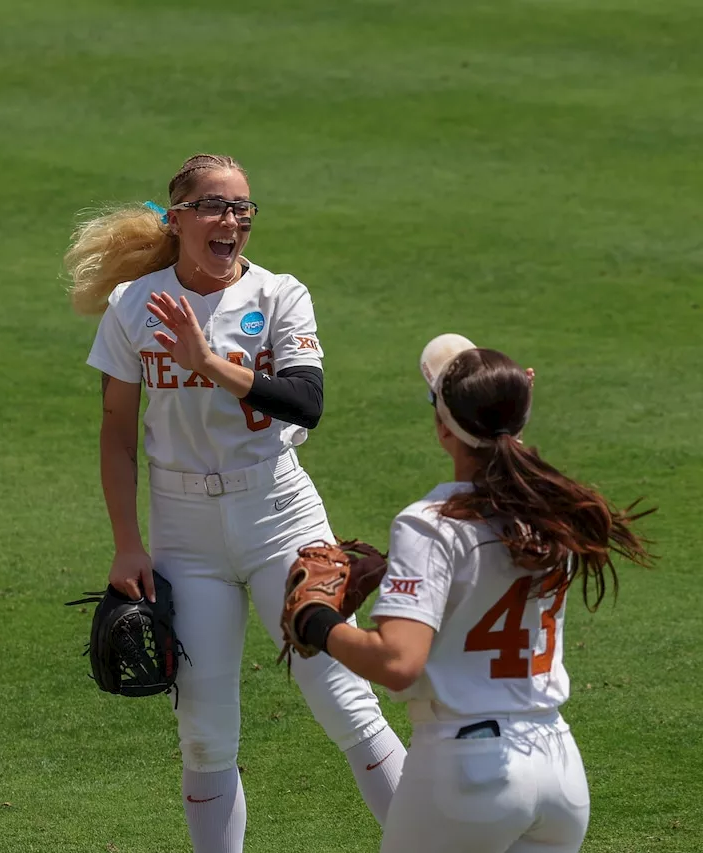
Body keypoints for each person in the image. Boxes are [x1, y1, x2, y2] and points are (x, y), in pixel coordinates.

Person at [67, 153, 406, 853]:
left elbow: (306, 401)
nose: (233, 222)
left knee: (344, 700)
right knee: (204, 730)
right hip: (182, 531)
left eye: (243, 208)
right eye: (218, 207)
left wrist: (210, 363)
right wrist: (127, 543)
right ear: (180, 218)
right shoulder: (135, 304)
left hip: (280, 511)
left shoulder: (280, 296)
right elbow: (115, 434)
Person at [289, 334, 654, 853]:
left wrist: (319, 624)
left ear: (443, 429)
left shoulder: (430, 526)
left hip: (466, 773)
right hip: (558, 768)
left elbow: (398, 662)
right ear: (519, 421)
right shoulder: (557, 514)